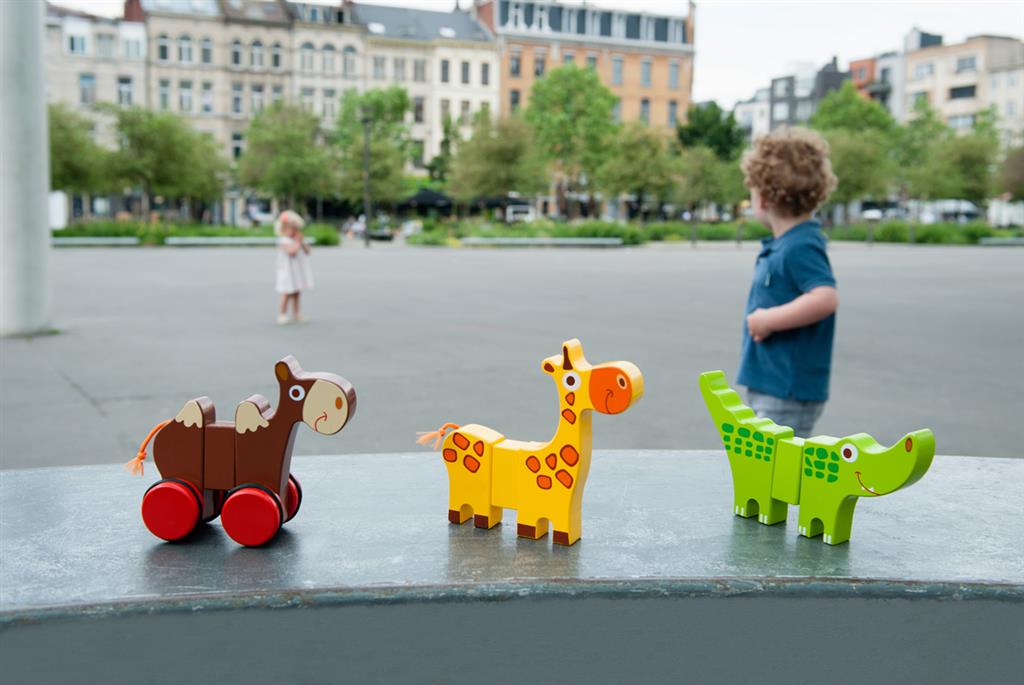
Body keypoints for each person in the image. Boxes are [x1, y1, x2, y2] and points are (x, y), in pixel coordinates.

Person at [736, 127, 839, 437]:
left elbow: (824, 297)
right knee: (770, 466)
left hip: (786, 389)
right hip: (773, 383)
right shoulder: (788, 243)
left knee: (779, 469)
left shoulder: (800, 245)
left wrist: (768, 320)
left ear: (764, 197)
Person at [274, 210, 314, 325]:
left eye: (295, 229)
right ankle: (282, 314)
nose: (294, 232)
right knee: (286, 292)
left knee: (297, 292)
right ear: (283, 229)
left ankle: (296, 313)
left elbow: (307, 251)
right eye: (291, 229)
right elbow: (292, 252)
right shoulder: (283, 240)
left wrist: (302, 242)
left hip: (297, 271)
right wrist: (297, 242)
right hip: (287, 271)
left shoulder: (297, 239)